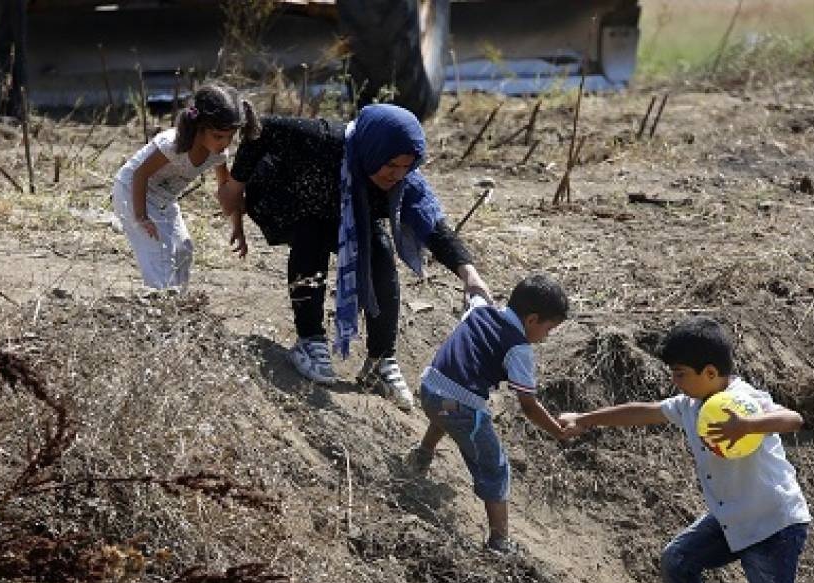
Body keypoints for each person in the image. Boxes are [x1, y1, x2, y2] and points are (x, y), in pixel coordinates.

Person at [561, 316, 813, 583]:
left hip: (774, 525)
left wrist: (746, 425)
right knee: (678, 558)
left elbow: (794, 420)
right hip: (731, 518)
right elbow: (644, 412)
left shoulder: (744, 398)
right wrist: (586, 418)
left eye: (681, 374)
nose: (675, 382)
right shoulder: (691, 404)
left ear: (710, 373)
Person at [217, 104, 492, 410]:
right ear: (373, 151)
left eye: (406, 167)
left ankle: (380, 361)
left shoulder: (403, 181)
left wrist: (470, 275)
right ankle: (310, 341)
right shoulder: (324, 140)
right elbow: (263, 127)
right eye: (391, 165)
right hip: (291, 198)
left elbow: (434, 226)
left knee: (381, 252)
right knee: (312, 236)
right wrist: (236, 183)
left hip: (349, 214)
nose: (397, 174)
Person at [408, 273, 575, 553]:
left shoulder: (480, 309)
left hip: (429, 391)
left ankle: (421, 455)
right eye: (548, 330)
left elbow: (473, 291)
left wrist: (473, 278)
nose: (546, 337)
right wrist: (557, 430)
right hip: (458, 409)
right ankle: (499, 544)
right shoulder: (518, 348)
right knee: (496, 469)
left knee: (446, 412)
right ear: (532, 320)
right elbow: (529, 405)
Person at [112, 83, 258, 289]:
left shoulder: (217, 155)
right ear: (200, 127)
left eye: (230, 136)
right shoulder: (173, 145)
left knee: (183, 248)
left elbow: (226, 189)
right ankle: (160, 300)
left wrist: (238, 227)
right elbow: (140, 174)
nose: (225, 143)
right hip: (131, 192)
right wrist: (142, 217)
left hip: (164, 199)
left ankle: (177, 301)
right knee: (159, 251)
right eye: (218, 136)